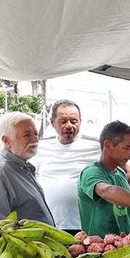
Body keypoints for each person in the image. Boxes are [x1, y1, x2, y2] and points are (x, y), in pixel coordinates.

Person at [32, 99, 102, 235]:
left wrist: (104, 199)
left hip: (86, 225)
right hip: (49, 224)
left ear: (80, 121)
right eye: (63, 121)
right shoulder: (40, 147)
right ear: (52, 122)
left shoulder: (95, 146)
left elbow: (128, 172)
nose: (69, 126)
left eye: (74, 121)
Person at [0, 112, 54, 225]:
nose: (35, 139)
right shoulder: (1, 174)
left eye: (35, 134)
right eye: (27, 135)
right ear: (7, 141)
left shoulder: (22, 168)